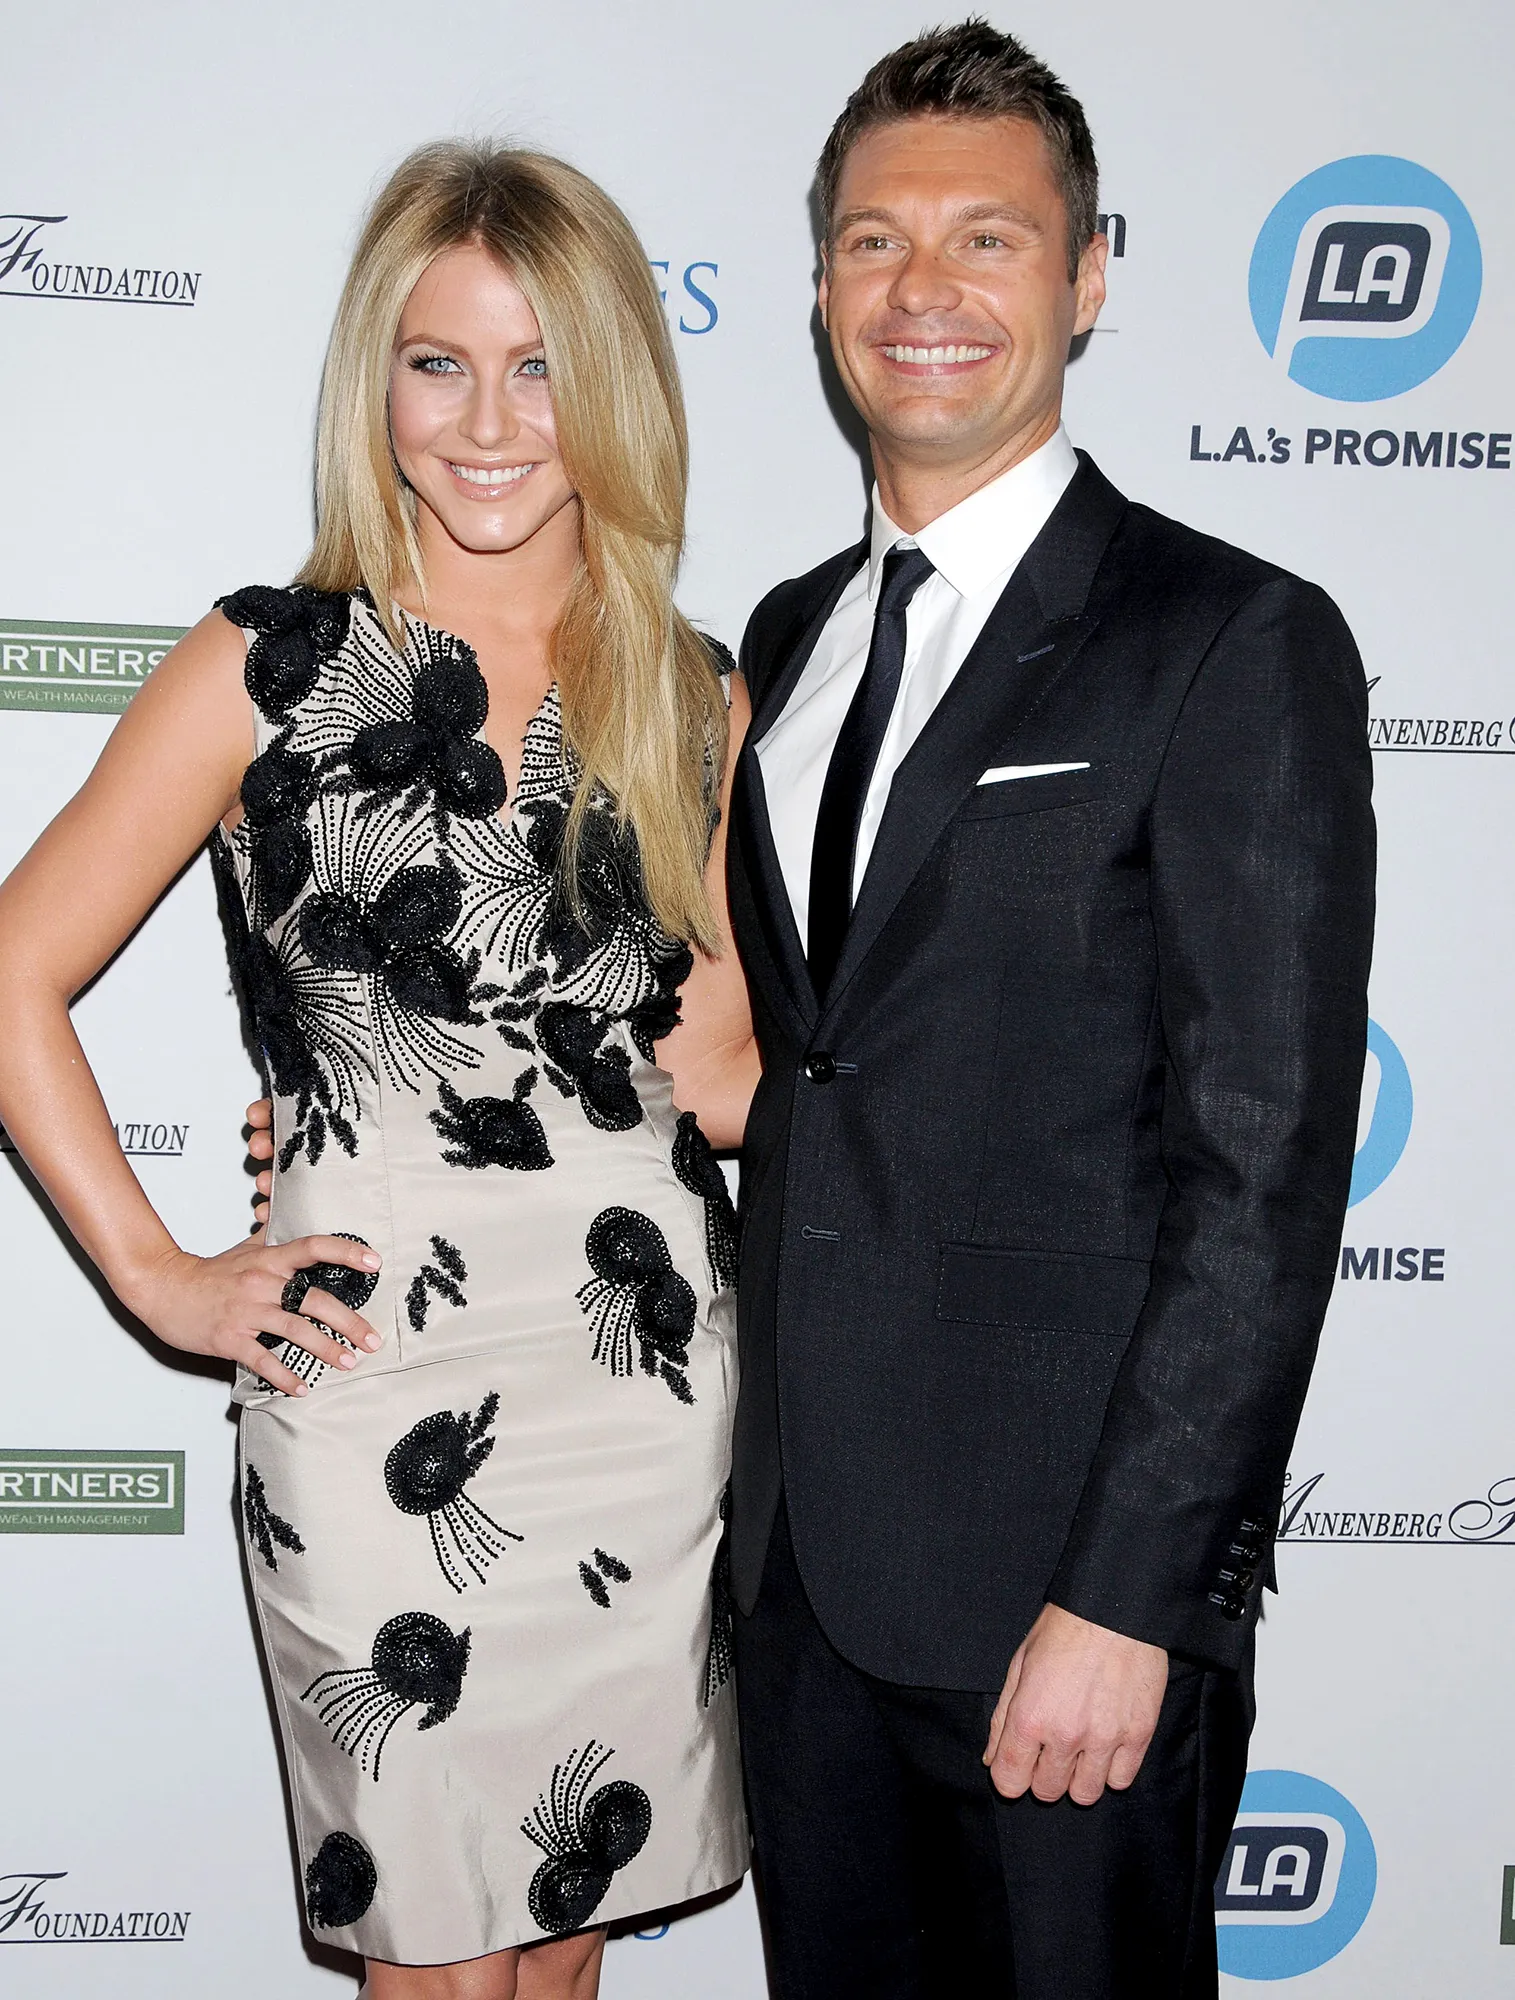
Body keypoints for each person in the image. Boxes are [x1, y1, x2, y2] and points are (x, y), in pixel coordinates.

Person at [0, 142, 757, 2000]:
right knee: (431, 1954)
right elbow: (15, 968)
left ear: (616, 385)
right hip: (366, 1380)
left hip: (638, 1384)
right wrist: (161, 1275)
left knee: (563, 1947)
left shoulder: (690, 689)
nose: (487, 423)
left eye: (541, 366)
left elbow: (723, 1068)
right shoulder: (271, 665)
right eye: (439, 363)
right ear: (377, 381)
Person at [722, 23, 1375, 1998]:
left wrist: (1130, 1596)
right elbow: (792, 1065)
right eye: (873, 241)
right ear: (819, 284)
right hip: (803, 1587)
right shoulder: (786, 638)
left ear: (1087, 278)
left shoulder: (1229, 636)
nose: (920, 290)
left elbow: (1261, 1172)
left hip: (1062, 1606)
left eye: (986, 239)